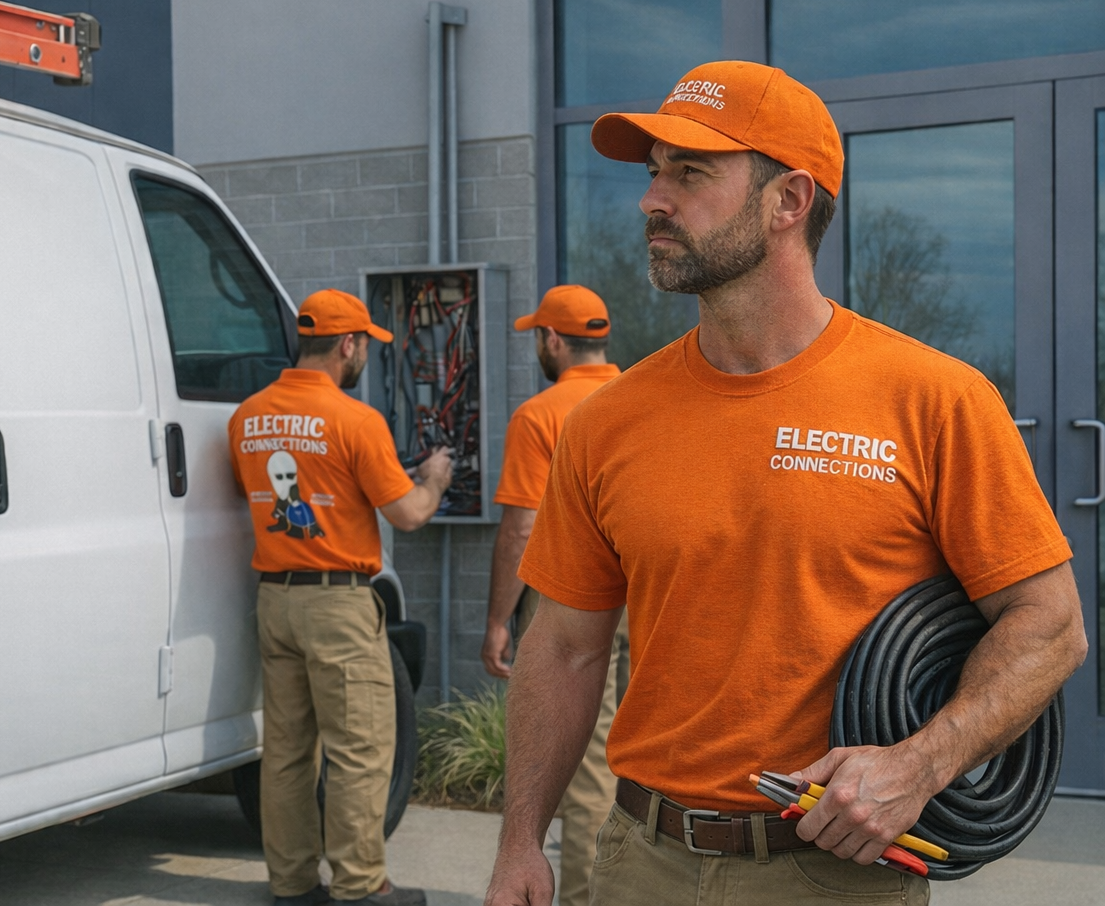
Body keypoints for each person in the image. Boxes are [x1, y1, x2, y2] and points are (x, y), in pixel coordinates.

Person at [482, 60, 1088, 906]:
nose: (653, 199)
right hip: (640, 862)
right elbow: (564, 647)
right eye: (654, 172)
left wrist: (918, 766)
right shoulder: (606, 421)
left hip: (832, 874)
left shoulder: (933, 399)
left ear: (789, 200)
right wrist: (520, 841)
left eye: (691, 173)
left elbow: (1050, 626)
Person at [230, 288, 454, 906]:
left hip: (274, 600)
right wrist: (434, 479)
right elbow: (407, 513)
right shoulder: (356, 420)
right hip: (338, 605)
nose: (364, 358)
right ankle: (360, 887)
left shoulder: (247, 417)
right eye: (364, 347)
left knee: (285, 752)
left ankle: (293, 884)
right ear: (348, 345)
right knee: (359, 749)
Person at [479, 284, 627, 906]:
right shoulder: (643, 396)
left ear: (551, 339)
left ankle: (585, 897)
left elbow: (521, 527)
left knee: (587, 761)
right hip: (649, 594)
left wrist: (497, 620)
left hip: (574, 599)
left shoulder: (539, 415)